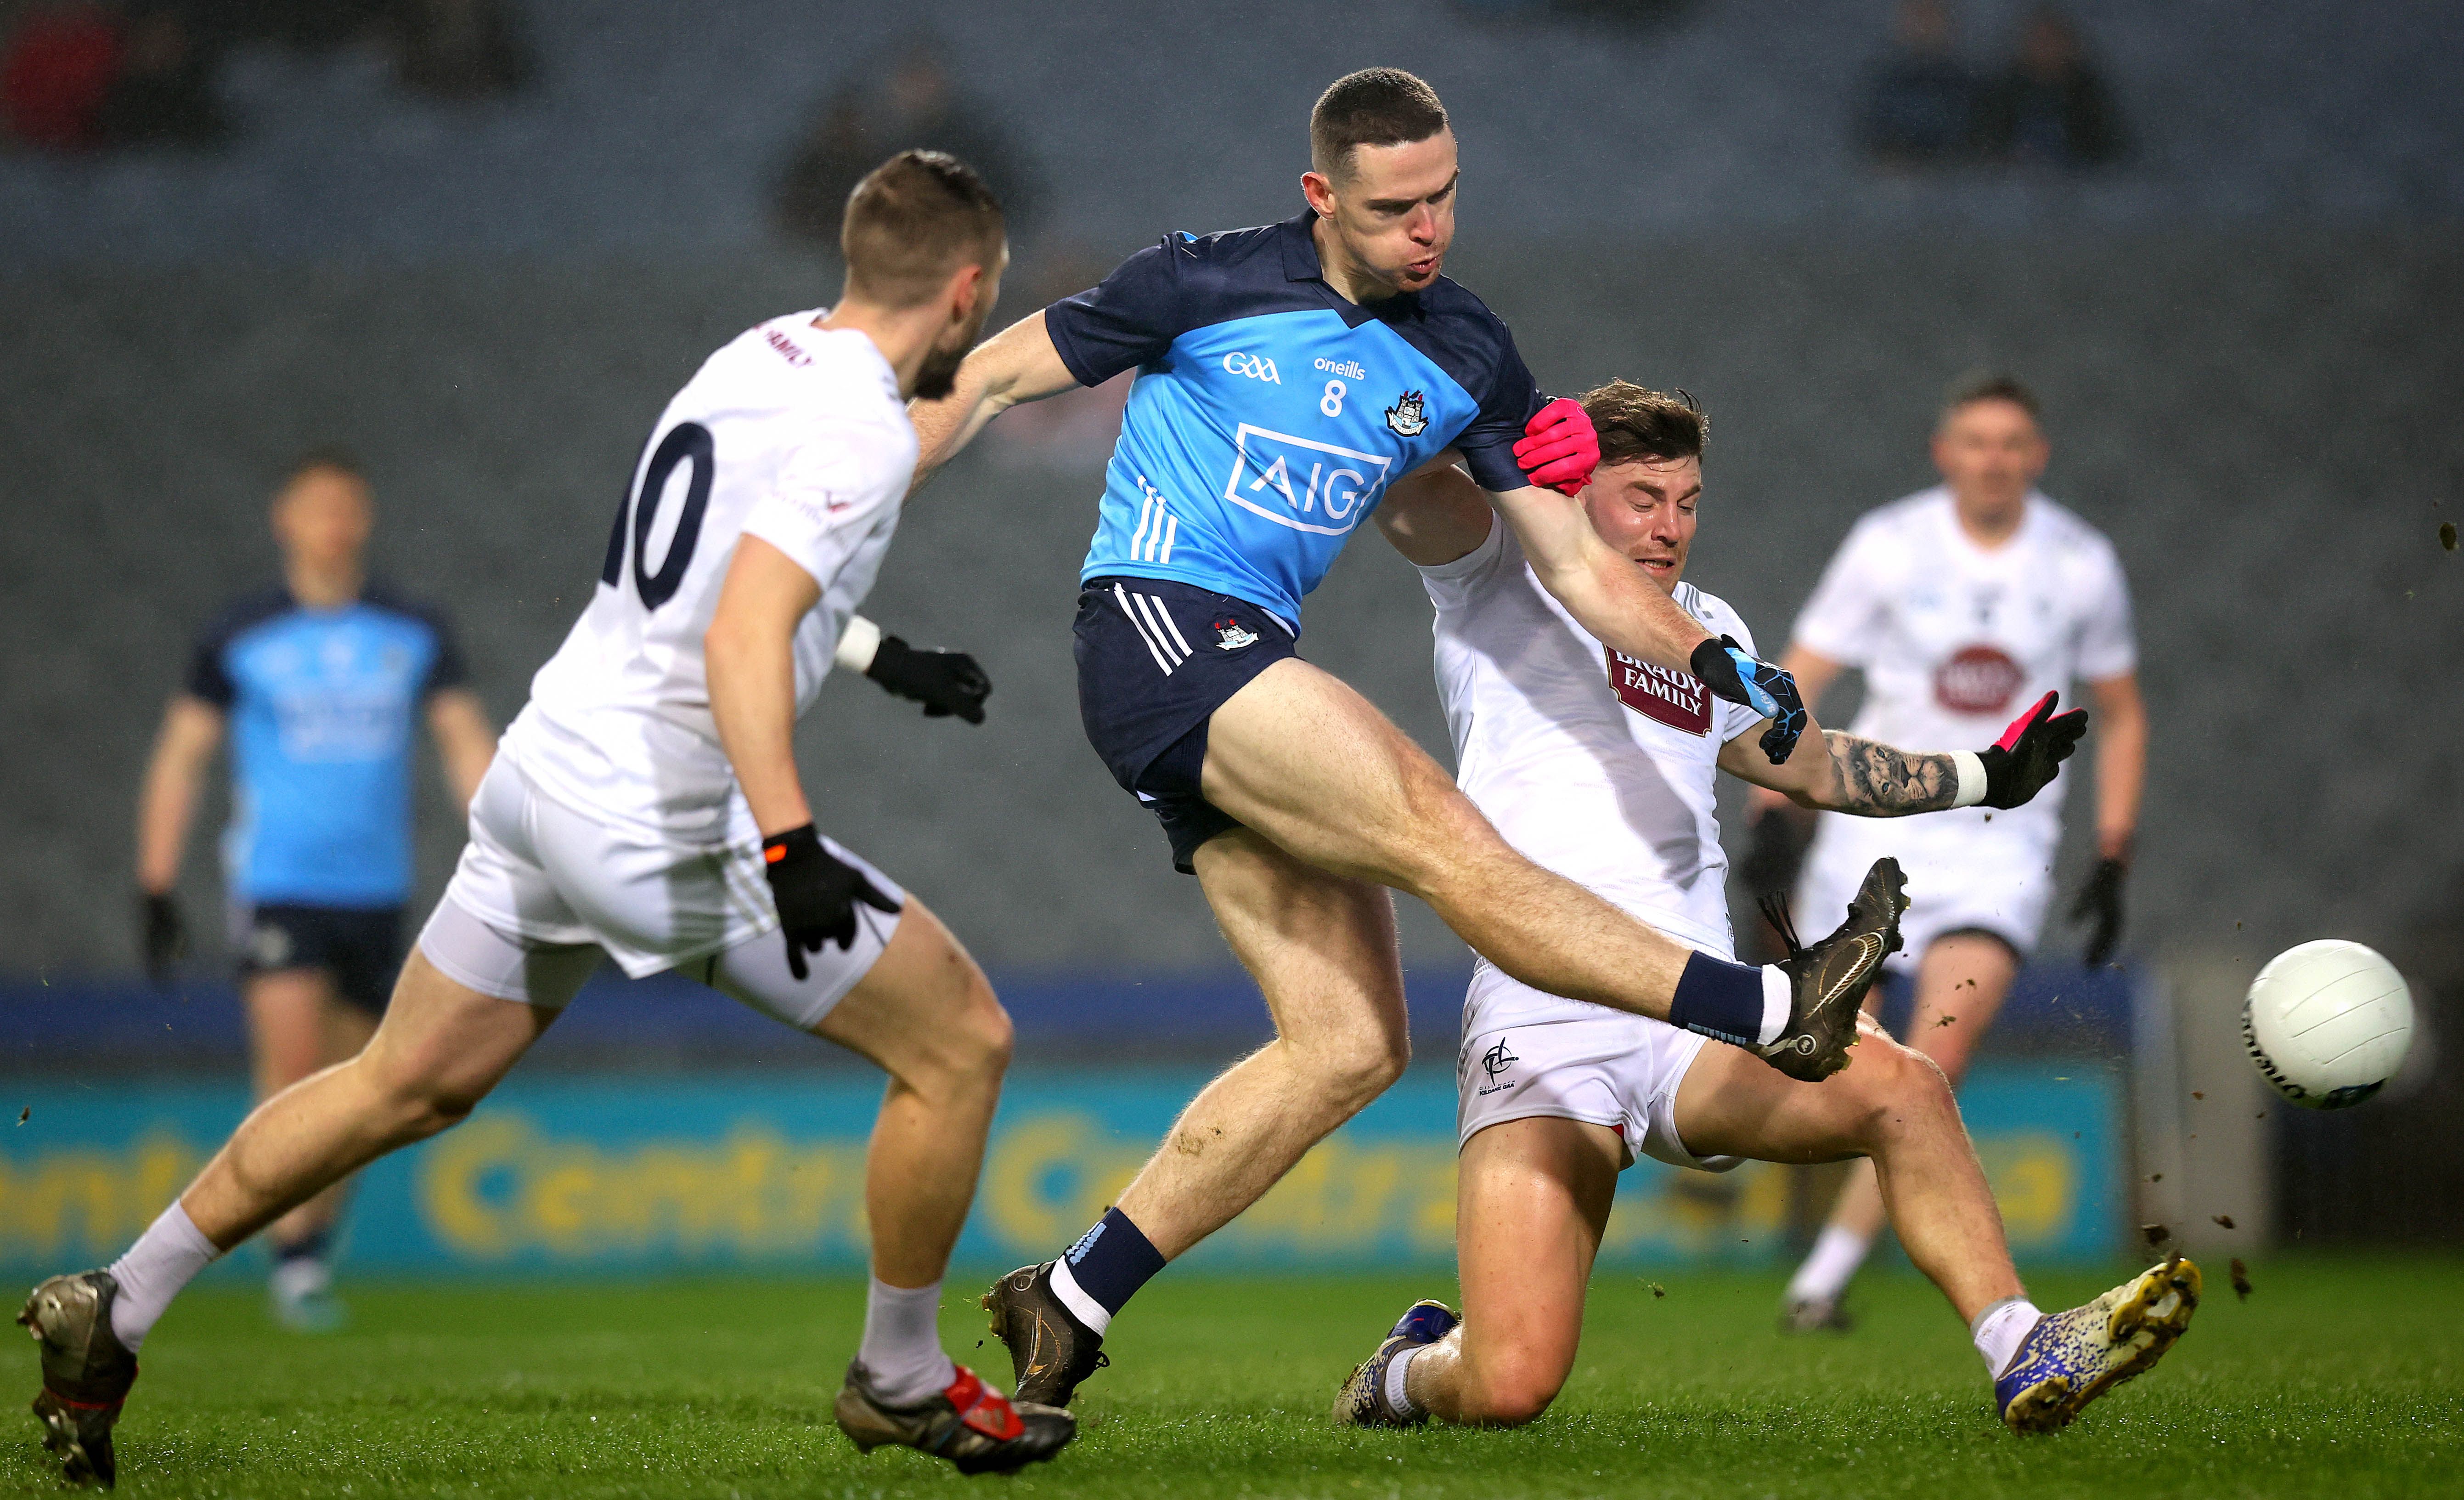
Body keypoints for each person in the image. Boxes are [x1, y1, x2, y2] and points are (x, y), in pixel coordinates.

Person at [21, 150, 1070, 1487]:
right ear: (971, 289)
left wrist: (876, 652)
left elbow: (709, 574)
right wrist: (788, 839)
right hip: (657, 815)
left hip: (542, 773)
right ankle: (900, 1372)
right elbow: (745, 629)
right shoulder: (862, 424)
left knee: (403, 1080)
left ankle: (117, 1299)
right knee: (962, 1039)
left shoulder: (757, 354)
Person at [904, 67, 1904, 1410]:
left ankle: (1071, 1294)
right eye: (1392, 205)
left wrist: (1721, 659)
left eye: (1440, 197)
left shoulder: (1470, 352)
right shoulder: (1198, 281)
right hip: (1157, 625)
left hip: (1246, 663)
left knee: (1349, 1040)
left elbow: (1589, 574)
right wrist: (831, 494)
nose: (1424, 226)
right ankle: (1770, 1005)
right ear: (1323, 195)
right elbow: (976, 383)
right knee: (1445, 830)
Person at [1334, 380, 2195, 1435]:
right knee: (1510, 1382)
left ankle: (2021, 1346)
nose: (1668, 526)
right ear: (1575, 489)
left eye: (1687, 500)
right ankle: (1406, 1372)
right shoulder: (1499, 573)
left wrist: (1984, 776)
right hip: (1544, 1008)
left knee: (1906, 1087)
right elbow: (1404, 495)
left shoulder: (1708, 629)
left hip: (1706, 1014)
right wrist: (1493, 445)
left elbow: (1815, 763)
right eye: (1641, 496)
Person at [1764, 372, 2146, 1330]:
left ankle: (1822, 1277)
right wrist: (1775, 811)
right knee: (1837, 1053)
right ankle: (1765, 1202)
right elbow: (1800, 673)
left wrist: (2111, 853)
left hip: (2000, 840)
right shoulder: (1889, 545)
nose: (1993, 459)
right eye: (1975, 441)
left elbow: (2124, 710)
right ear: (1946, 453)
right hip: (1875, 828)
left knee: (1937, 1057)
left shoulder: (2079, 562)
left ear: (2036, 456)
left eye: (2011, 443)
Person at [134, 451, 496, 1331]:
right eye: (316, 508)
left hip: (376, 893)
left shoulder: (412, 629)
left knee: (358, 1088)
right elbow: (183, 755)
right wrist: (156, 883)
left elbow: (461, 739)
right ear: (285, 521)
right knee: (290, 1070)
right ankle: (285, 1259)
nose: (332, 523)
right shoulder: (241, 634)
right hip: (279, 884)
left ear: (363, 520)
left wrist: (507, 835)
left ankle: (309, 1253)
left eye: (347, 508)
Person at [1979, 5, 2125, 168]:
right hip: (2012, 185)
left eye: (2054, 39)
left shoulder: (2089, 95)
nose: (2046, 48)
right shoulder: (2003, 93)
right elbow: (1987, 148)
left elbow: (2107, 152)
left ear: (2071, 45)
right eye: (2039, 40)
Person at [1858, 0, 1981, 166]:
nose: (1924, 26)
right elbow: (1874, 143)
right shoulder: (1885, 83)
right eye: (1917, 16)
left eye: (1932, 16)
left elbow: (1972, 147)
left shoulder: (1968, 85)